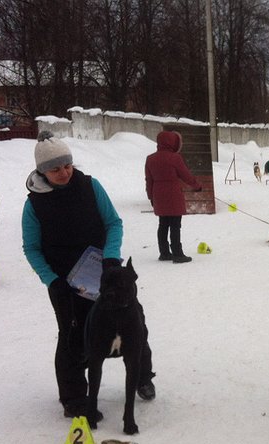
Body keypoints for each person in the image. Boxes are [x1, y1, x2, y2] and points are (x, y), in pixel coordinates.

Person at [22, 131, 156, 419]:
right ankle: (74, 398)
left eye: (67, 165)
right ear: (42, 171)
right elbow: (32, 249)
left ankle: (142, 376)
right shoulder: (33, 205)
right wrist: (52, 280)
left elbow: (113, 223)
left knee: (133, 325)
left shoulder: (90, 187)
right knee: (72, 337)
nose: (64, 172)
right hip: (64, 284)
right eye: (55, 168)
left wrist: (110, 257)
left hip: (105, 275)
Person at [145, 130, 202, 263]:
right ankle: (177, 253)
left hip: (158, 195)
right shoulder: (175, 158)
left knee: (163, 224)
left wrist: (151, 197)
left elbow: (149, 180)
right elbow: (186, 175)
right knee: (175, 225)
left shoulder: (150, 159)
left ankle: (164, 252)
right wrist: (197, 186)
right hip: (173, 195)